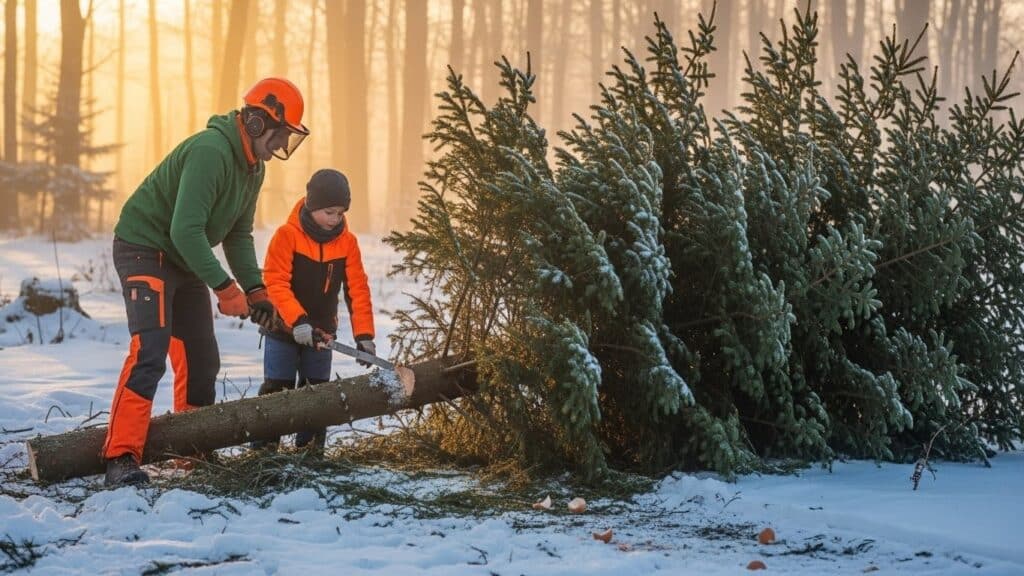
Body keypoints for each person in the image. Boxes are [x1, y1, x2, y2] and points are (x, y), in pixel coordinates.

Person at [103, 77, 309, 486]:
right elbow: (185, 230)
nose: (281, 146)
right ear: (255, 123)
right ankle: (120, 457)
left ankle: (191, 451)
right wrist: (224, 287)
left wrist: (255, 291)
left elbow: (238, 233)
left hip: (182, 258)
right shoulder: (210, 152)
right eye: (280, 135)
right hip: (145, 247)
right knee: (151, 350)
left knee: (202, 359)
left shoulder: (253, 169)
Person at [254, 168, 375, 451]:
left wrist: (365, 334)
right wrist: (297, 320)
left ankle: (309, 453)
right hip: (283, 328)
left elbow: (358, 289)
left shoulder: (348, 243)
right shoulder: (287, 236)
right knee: (277, 389)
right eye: (329, 212)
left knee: (317, 392)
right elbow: (275, 281)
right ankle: (264, 453)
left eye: (340, 213)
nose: (335, 220)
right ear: (311, 205)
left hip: (322, 334)